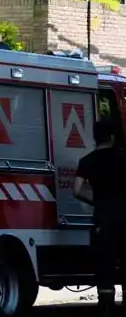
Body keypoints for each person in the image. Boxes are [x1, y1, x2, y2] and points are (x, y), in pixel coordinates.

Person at [72, 117, 126, 317]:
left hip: (103, 218)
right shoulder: (123, 157)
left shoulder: (88, 160)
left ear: (95, 138)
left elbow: (76, 190)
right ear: (112, 136)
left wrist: (93, 201)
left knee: (105, 262)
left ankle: (106, 306)